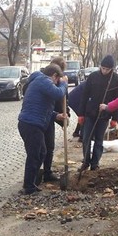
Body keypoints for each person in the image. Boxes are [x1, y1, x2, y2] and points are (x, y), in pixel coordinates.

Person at [18, 64, 67, 194]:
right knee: (35, 155)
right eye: (57, 80)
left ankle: (31, 183)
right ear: (54, 76)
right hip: (31, 124)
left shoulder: (40, 82)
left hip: (32, 123)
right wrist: (64, 84)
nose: (57, 83)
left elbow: (42, 108)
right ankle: (28, 187)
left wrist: (57, 115)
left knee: (41, 153)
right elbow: (58, 93)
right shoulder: (44, 81)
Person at [77, 55, 118, 171]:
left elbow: (117, 100)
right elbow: (84, 96)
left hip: (105, 115)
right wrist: (81, 114)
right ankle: (86, 161)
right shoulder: (93, 76)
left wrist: (115, 118)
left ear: (111, 69)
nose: (104, 71)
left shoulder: (116, 79)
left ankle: (95, 163)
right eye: (103, 68)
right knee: (86, 138)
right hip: (90, 113)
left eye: (107, 69)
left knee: (99, 140)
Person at [39, 56, 68, 184]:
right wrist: (63, 84)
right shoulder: (42, 79)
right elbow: (57, 93)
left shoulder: (58, 81)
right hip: (41, 116)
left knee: (50, 146)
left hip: (51, 115)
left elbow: (63, 99)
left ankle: (47, 172)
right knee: (41, 148)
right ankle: (36, 173)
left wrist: (63, 116)